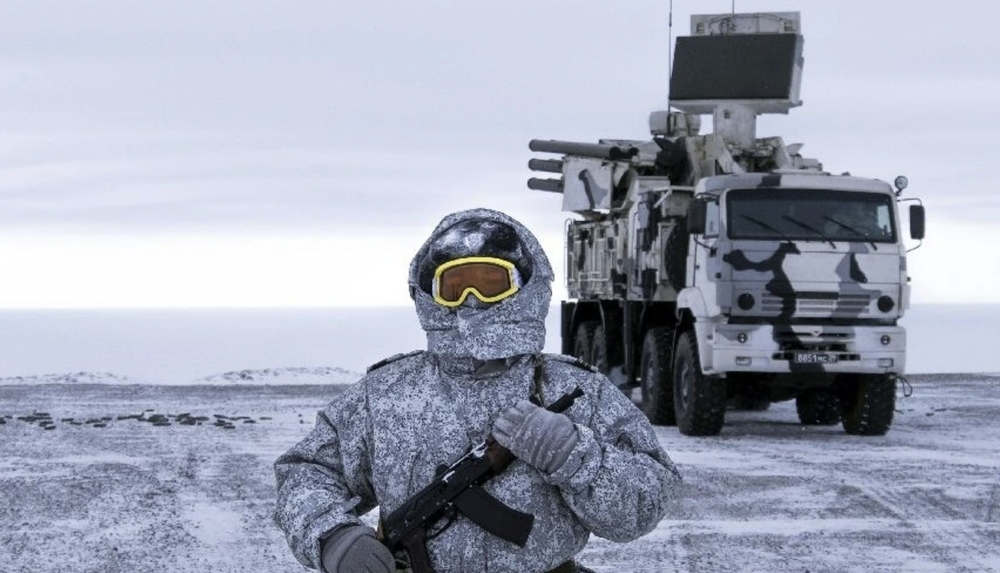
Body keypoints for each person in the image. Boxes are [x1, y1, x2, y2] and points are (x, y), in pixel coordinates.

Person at [273, 208, 681, 573]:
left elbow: (644, 505)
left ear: (524, 287)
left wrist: (574, 455)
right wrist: (334, 537)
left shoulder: (574, 389)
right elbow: (305, 472)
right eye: (455, 286)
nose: (472, 302)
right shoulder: (384, 395)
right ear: (430, 293)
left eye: (491, 284)